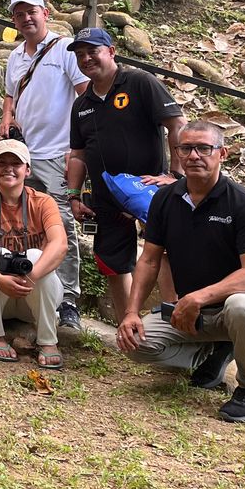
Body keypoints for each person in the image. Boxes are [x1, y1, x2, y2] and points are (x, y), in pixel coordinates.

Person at [117, 121, 245, 423]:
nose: (194, 155)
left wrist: (196, 297)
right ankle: (213, 353)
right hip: (198, 314)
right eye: (186, 148)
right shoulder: (165, 199)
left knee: (240, 306)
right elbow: (149, 260)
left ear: (221, 154)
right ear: (178, 153)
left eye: (204, 148)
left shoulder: (244, 204)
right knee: (136, 343)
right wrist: (131, 311)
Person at [66, 27, 187, 322]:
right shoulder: (81, 104)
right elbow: (79, 155)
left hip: (149, 191)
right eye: (80, 55)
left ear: (111, 51)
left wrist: (175, 175)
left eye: (92, 51)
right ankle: (127, 326)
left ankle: (175, 321)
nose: (86, 59)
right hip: (106, 197)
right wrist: (73, 194)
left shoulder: (139, 82)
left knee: (167, 252)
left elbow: (177, 124)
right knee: (113, 263)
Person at [0, 0, 88, 329]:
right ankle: (29, 289)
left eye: (32, 11)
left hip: (57, 152)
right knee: (20, 222)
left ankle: (68, 299)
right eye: (19, 14)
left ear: (45, 12)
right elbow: (10, 96)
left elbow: (84, 97)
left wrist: (76, 150)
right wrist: (7, 117)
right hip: (22, 155)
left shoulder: (65, 49)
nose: (27, 18)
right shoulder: (15, 56)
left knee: (60, 223)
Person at [0, 140, 68, 368]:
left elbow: (60, 244)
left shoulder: (43, 202)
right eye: (1, 163)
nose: (8, 168)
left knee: (34, 256)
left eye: (16, 163)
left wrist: (30, 277)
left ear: (27, 169)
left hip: (34, 290)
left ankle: (48, 341)